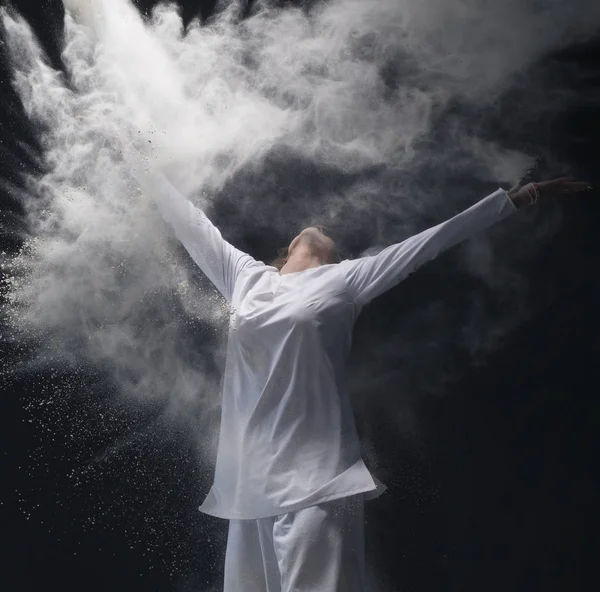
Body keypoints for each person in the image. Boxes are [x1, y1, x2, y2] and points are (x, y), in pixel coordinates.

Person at [130, 153, 591, 591]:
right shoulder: (246, 277)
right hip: (248, 488)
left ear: (332, 254)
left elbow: (430, 242)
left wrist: (518, 197)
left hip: (317, 480)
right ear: (288, 247)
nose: (322, 226)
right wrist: (142, 165)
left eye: (330, 233)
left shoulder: (347, 279)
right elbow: (190, 223)